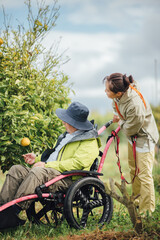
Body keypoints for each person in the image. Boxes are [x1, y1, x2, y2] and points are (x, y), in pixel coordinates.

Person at [0, 101, 101, 229]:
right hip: (50, 173)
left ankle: (12, 212)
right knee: (16, 170)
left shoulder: (89, 141)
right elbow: (55, 156)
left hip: (67, 179)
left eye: (66, 121)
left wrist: (46, 165)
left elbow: (78, 163)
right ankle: (3, 208)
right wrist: (36, 158)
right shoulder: (66, 136)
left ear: (75, 124)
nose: (64, 123)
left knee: (38, 172)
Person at [103, 73, 159, 216]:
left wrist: (120, 121)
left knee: (144, 174)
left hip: (143, 138)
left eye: (108, 90)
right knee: (134, 171)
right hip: (132, 137)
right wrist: (120, 117)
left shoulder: (134, 104)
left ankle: (147, 212)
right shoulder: (119, 96)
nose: (105, 92)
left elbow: (130, 127)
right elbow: (117, 110)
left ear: (119, 92)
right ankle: (137, 202)